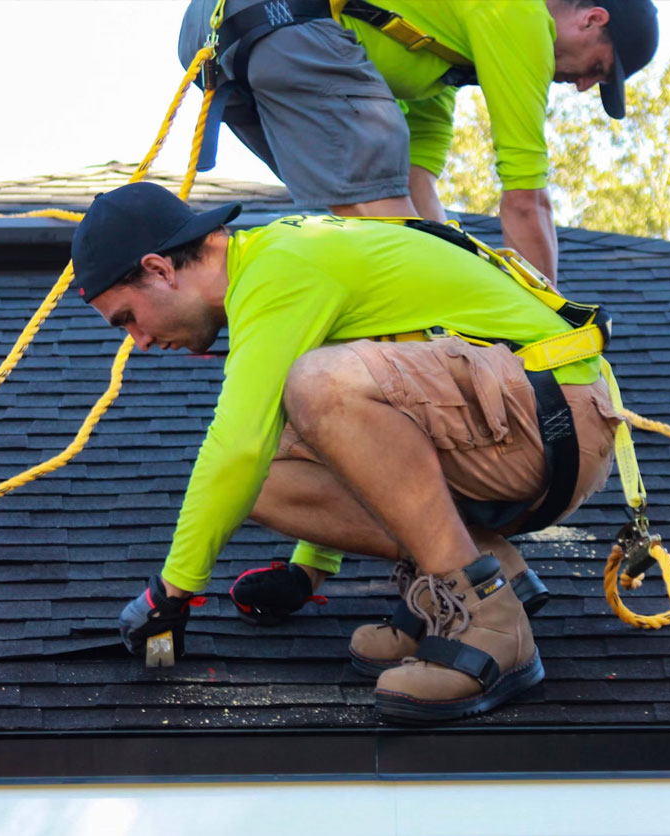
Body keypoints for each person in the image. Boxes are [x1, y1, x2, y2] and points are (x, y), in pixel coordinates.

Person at [71, 182, 621, 721]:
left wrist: (170, 593)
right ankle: (478, 570)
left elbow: (237, 444)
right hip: (517, 421)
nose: (138, 342)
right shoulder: (279, 259)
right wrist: (307, 570)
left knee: (303, 393)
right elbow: (326, 440)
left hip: (551, 413)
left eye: (127, 318)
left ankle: (493, 624)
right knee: (263, 466)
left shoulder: (280, 267)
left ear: (159, 269)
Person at [177, 0, 659, 284]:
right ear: (593, 19)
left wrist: (457, 274)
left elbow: (413, 184)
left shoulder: (439, 54)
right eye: (597, 69)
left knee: (378, 241)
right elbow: (527, 202)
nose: (580, 87)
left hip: (225, 41)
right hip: (284, 20)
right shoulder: (522, 16)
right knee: (400, 257)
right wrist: (548, 330)